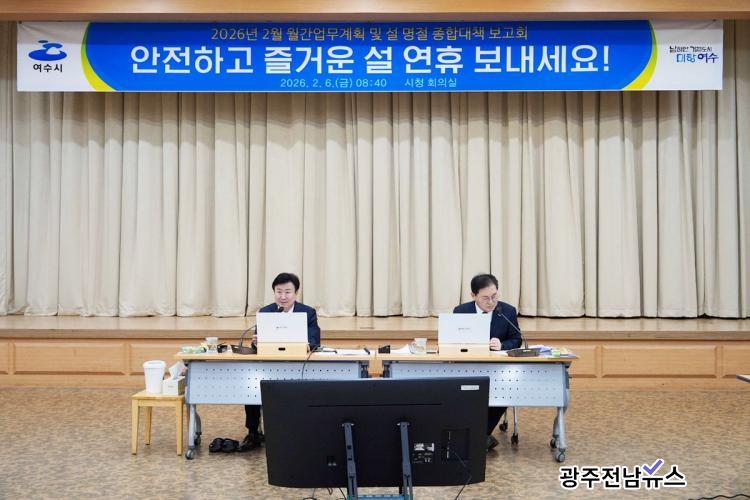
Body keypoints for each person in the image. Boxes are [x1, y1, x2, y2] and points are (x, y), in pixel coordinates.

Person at [241, 272, 321, 451]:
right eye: (279, 292)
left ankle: (298, 431)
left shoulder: (307, 313)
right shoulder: (266, 312)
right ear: (274, 292)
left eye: (287, 292)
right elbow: (256, 345)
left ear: (296, 293)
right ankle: (253, 432)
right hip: (269, 365)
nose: (283, 297)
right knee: (252, 386)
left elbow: (315, 341)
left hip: (296, 366)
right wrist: (256, 342)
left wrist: (300, 344)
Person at [453, 273, 522, 451]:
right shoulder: (461, 311)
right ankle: (479, 437)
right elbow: (451, 341)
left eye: (494, 296)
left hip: (498, 369)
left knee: (504, 392)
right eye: (485, 298)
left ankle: (479, 434)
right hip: (468, 367)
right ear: (473, 295)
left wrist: (502, 345)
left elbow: (516, 339)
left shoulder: (507, 311)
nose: (491, 302)